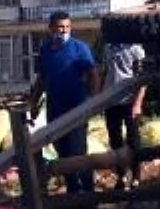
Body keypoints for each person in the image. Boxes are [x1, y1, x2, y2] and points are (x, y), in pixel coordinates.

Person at [29, 11, 100, 196]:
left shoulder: (80, 48)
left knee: (78, 153)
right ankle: (73, 191)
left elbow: (93, 74)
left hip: (77, 108)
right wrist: (34, 103)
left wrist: (92, 101)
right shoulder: (45, 51)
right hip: (55, 109)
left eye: (67, 27)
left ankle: (89, 194)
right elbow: (42, 79)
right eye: (60, 28)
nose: (64, 31)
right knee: (62, 151)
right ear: (51, 28)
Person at [102, 41, 147, 189]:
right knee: (115, 139)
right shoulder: (108, 47)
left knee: (133, 139)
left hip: (129, 101)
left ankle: (136, 177)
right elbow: (105, 72)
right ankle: (121, 175)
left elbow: (143, 78)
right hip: (111, 101)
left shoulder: (136, 49)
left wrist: (137, 103)